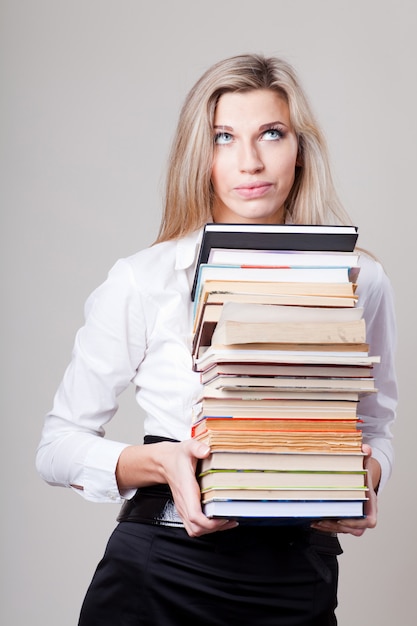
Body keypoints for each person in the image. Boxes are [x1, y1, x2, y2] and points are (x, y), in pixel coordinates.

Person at [36, 53, 397, 625]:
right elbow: (57, 447)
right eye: (224, 137)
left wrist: (365, 478)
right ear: (199, 156)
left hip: (298, 574)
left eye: (271, 134)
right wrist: (164, 464)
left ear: (300, 148)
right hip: (161, 570)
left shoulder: (361, 278)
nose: (249, 161)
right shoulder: (144, 278)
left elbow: (374, 427)